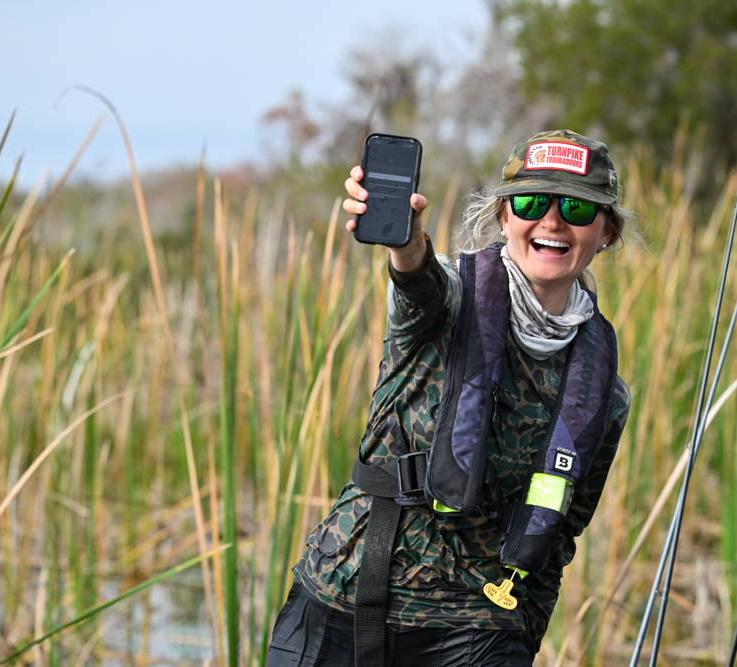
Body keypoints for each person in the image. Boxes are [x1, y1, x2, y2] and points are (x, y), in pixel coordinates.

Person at [267, 130, 634, 667]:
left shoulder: (606, 392)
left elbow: (559, 537)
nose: (553, 222)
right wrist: (405, 242)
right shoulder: (452, 297)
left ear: (605, 232)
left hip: (479, 630)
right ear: (504, 217)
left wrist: (523, 638)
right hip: (349, 590)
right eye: (532, 203)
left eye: (577, 209)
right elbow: (418, 281)